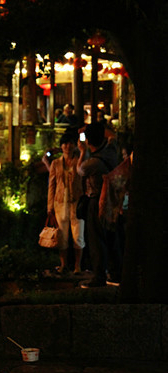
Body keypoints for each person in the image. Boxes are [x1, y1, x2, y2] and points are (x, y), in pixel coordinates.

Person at [78, 122, 118, 287]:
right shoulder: (111, 152)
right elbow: (112, 136)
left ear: (88, 141)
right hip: (113, 201)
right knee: (112, 237)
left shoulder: (92, 163)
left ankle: (99, 276)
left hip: (97, 201)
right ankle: (115, 274)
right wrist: (94, 129)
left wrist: (82, 151)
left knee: (96, 239)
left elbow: (79, 170)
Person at [47, 129, 85, 274]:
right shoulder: (56, 163)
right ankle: (63, 265)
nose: (67, 146)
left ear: (74, 145)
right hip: (60, 203)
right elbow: (52, 185)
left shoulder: (79, 161)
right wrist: (50, 205)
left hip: (77, 203)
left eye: (70, 143)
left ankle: (77, 266)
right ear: (61, 146)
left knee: (78, 236)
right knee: (62, 237)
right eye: (65, 144)